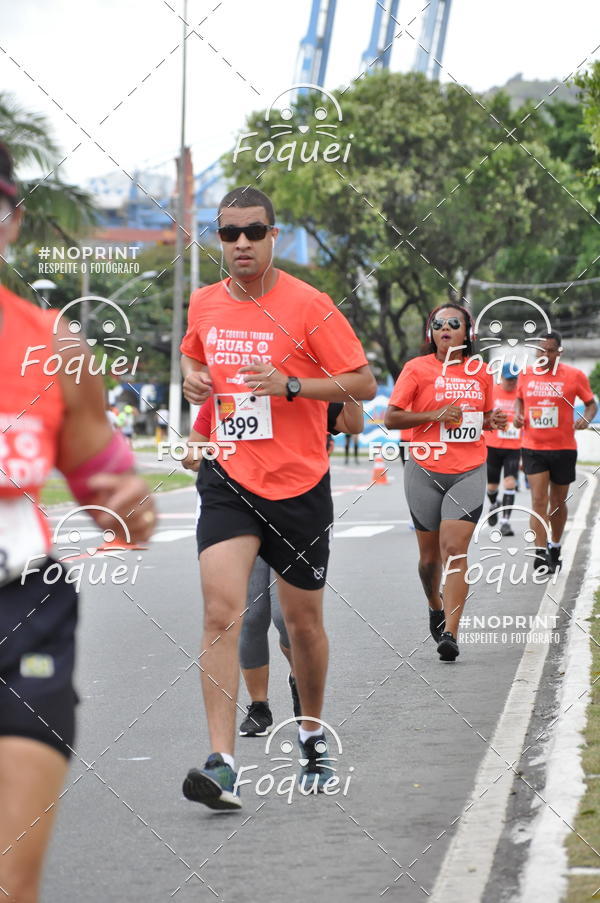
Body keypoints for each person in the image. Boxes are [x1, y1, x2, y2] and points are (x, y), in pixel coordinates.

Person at [179, 185, 375, 809]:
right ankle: (221, 762)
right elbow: (197, 371)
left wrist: (292, 384)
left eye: (253, 232)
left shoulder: (309, 305)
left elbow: (362, 383)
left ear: (273, 235)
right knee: (221, 610)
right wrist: (191, 387)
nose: (240, 243)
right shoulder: (203, 304)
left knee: (304, 624)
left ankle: (312, 731)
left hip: (298, 484)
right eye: (228, 233)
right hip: (229, 478)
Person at [0, 144, 156, 903]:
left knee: (9, 878)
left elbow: (107, 477)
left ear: (12, 221)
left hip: (21, 609)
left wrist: (132, 502)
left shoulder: (55, 347)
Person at [183, 399, 363, 738]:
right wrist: (197, 453)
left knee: (286, 620)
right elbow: (192, 452)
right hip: (239, 514)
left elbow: (352, 420)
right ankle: (259, 706)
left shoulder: (305, 391)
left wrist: (345, 375)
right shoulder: (222, 396)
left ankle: (299, 678)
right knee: (250, 615)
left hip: (294, 512)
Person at [384, 304, 507, 662]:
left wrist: (491, 419)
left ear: (468, 332)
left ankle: (451, 632)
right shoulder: (416, 369)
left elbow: (480, 418)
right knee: (427, 560)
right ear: (431, 332)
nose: (445, 329)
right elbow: (391, 417)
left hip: (468, 469)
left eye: (454, 323)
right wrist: (433, 415)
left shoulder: (481, 373)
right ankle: (434, 605)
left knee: (454, 549)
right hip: (423, 468)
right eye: (438, 324)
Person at [513, 331, 597, 573]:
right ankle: (540, 554)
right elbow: (520, 399)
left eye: (550, 350)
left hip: (563, 448)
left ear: (559, 352)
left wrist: (586, 418)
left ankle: (556, 547)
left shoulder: (574, 376)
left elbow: (591, 403)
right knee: (538, 500)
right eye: (541, 350)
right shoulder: (526, 375)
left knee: (558, 503)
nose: (545, 355)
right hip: (533, 447)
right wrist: (519, 415)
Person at [486, 363, 522, 536]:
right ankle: (494, 503)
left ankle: (505, 522)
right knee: (492, 486)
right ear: (501, 378)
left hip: (513, 447)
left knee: (510, 483)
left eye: (514, 379)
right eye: (508, 379)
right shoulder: (492, 391)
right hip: (492, 445)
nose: (512, 383)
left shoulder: (520, 394)